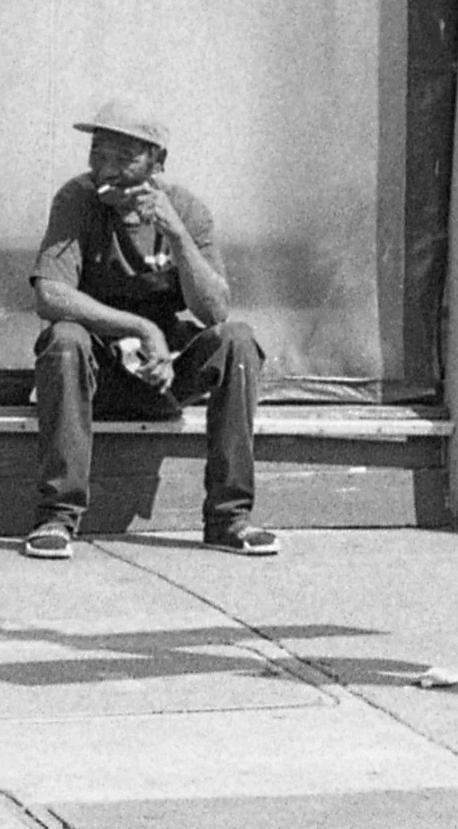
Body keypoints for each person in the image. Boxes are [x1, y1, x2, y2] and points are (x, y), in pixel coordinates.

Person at [24, 102, 277, 559]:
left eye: (124, 158)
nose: (107, 169)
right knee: (64, 339)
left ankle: (229, 518)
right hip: (96, 374)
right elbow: (50, 295)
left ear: (157, 163)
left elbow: (214, 311)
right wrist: (140, 327)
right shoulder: (77, 200)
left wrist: (177, 236)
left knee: (237, 340)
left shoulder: (187, 211)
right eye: (98, 155)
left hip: (165, 376)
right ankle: (57, 518)